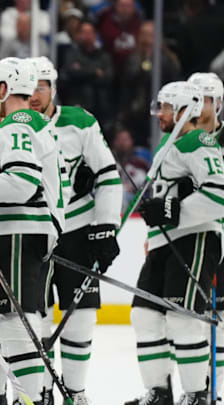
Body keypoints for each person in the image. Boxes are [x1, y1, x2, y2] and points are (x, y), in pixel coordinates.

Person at [29, 56, 123, 405]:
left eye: (43, 86)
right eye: (31, 86)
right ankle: (40, 392)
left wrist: (105, 226)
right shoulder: (14, 125)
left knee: (80, 318)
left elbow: (108, 175)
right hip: (35, 231)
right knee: (32, 318)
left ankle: (76, 392)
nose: (36, 94)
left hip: (78, 230)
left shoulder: (79, 121)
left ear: (54, 88)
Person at [126, 81, 224, 405]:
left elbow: (219, 195)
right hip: (166, 243)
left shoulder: (199, 140)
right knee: (145, 315)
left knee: (183, 317)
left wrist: (172, 210)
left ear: (185, 110)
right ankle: (159, 393)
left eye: (167, 107)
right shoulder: (171, 143)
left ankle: (197, 395)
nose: (161, 114)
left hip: (195, 239)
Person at [0, 57, 63, 405]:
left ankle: (29, 399)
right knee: (12, 321)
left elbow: (21, 182)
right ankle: (32, 397)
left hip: (19, 231)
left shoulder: (16, 124)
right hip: (25, 232)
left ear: (3, 89)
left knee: (15, 321)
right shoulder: (30, 122)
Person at [187, 71, 224, 400]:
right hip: (191, 240)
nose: (201, 105)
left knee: (220, 318)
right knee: (187, 320)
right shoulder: (179, 142)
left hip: (220, 239)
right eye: (196, 98)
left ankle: (217, 391)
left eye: (208, 99)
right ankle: (197, 389)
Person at [120, 21, 181, 146]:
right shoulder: (134, 58)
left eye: (151, 34)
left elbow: (173, 77)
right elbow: (129, 78)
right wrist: (145, 62)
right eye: (144, 34)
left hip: (162, 110)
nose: (147, 38)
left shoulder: (168, 58)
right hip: (138, 111)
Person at [59, 21, 114, 127]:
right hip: (78, 104)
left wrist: (83, 72)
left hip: (100, 107)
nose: (87, 36)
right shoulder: (71, 53)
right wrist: (95, 72)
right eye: (84, 32)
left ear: (95, 35)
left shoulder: (103, 55)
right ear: (78, 35)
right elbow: (71, 73)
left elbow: (108, 78)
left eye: (90, 32)